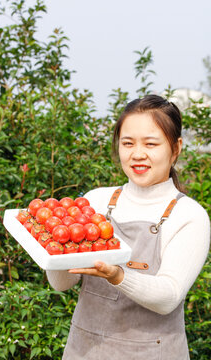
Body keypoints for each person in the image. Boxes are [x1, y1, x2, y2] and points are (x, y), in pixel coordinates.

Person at [46, 94, 210, 360]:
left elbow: (168, 296)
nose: (137, 154)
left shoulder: (188, 215)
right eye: (128, 143)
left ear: (176, 148)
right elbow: (62, 283)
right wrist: (49, 248)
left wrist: (117, 275)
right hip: (83, 351)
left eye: (151, 143)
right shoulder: (95, 201)